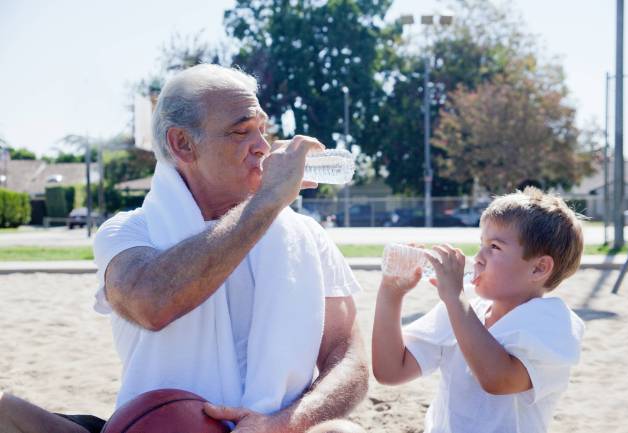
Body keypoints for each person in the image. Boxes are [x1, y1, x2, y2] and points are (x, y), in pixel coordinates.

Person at [0, 64, 368, 433]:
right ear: (182, 144)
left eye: (262, 129)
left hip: (275, 428)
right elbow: (152, 303)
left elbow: (348, 358)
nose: (262, 146)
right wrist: (268, 201)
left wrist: (283, 422)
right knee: (7, 412)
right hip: (156, 426)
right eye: (242, 131)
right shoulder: (128, 231)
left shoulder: (306, 234)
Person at [372, 187, 585, 433]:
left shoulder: (552, 323)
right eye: (481, 244)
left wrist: (454, 299)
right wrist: (391, 293)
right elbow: (390, 371)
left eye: (494, 247)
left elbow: (497, 379)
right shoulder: (462, 309)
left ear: (538, 269)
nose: (478, 258)